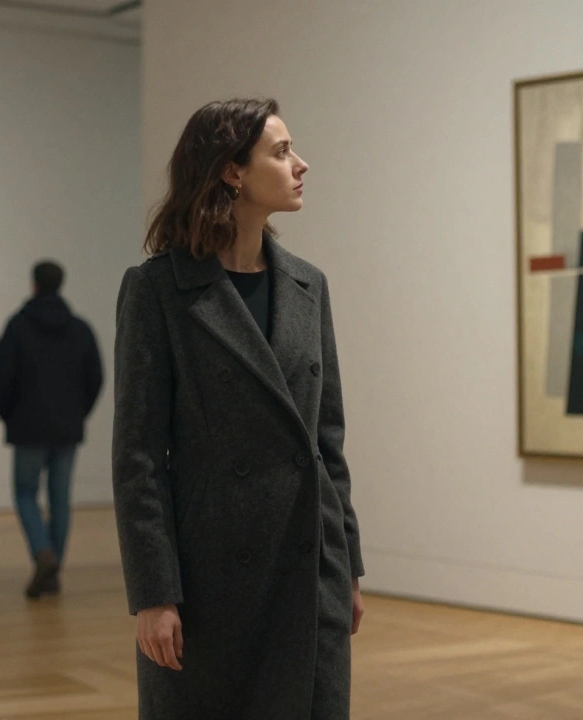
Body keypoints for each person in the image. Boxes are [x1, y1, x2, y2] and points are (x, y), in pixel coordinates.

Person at [111, 98, 366, 719]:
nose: (301, 164)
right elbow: (139, 457)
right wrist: (154, 594)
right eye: (280, 152)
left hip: (309, 570)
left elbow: (327, 442)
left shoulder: (309, 285)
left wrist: (347, 565)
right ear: (231, 171)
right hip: (209, 582)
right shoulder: (158, 291)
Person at [0, 260, 104, 598]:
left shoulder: (17, 326)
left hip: (27, 426)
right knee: (60, 499)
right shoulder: (80, 329)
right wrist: (78, 413)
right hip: (67, 427)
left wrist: (8, 414)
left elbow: (1, 378)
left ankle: (43, 554)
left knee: (25, 493)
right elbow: (95, 378)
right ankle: (53, 570)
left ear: (34, 285)